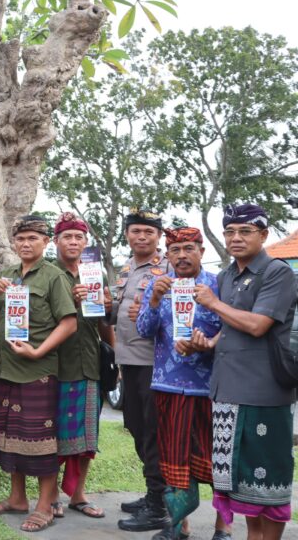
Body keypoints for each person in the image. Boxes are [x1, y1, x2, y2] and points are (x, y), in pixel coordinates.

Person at [200, 204, 297, 540]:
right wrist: (206, 342)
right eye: (230, 231)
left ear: (264, 235)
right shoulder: (226, 276)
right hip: (226, 391)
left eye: (245, 231)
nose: (235, 238)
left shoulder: (277, 272)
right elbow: (230, 328)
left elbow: (258, 326)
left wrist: (212, 303)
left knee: (268, 483)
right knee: (241, 488)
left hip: (264, 393)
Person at [0, 215, 77, 533]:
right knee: (10, 439)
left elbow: (69, 322)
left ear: (46, 242)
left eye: (33, 238)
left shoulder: (53, 277)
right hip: (6, 370)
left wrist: (38, 351)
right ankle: (17, 498)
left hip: (39, 371)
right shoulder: (6, 275)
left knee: (41, 442)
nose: (25, 244)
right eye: (20, 238)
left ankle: (45, 505)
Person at [136, 226, 231, 540]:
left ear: (201, 252)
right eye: (175, 250)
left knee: (218, 463)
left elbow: (232, 330)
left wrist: (208, 343)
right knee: (173, 462)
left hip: (210, 389)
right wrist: (155, 299)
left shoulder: (218, 286)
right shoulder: (158, 284)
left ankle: (223, 528)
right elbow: (144, 330)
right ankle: (179, 526)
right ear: (168, 255)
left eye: (188, 248)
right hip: (168, 387)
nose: (181, 256)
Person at [52, 213, 114, 520]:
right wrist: (68, 302)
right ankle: (49, 496)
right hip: (55, 364)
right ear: (56, 242)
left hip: (90, 362)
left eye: (78, 237)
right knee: (54, 433)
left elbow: (103, 322)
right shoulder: (48, 273)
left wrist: (114, 353)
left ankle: (78, 494)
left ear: (86, 242)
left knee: (88, 435)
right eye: (67, 237)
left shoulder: (95, 273)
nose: (73, 242)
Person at [113, 208, 171, 532]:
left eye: (149, 232)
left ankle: (159, 505)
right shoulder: (127, 269)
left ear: (159, 236)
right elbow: (115, 314)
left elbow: (179, 311)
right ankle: (153, 493)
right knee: (136, 426)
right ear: (127, 235)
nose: (142, 236)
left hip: (155, 363)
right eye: (136, 231)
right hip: (129, 361)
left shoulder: (168, 267)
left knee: (153, 432)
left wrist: (154, 308)